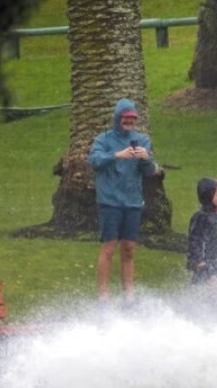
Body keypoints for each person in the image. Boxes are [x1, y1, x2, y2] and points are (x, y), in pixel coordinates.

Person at [88, 98, 155, 301]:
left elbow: (149, 172)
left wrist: (146, 158)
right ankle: (103, 297)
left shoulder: (142, 140)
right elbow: (94, 161)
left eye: (132, 118)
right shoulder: (104, 139)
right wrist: (116, 155)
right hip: (110, 201)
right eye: (125, 118)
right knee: (109, 246)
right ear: (117, 118)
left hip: (133, 201)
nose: (129, 122)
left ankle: (129, 297)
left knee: (129, 248)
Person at [186, 178, 217, 285]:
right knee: (212, 285)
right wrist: (199, 259)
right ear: (209, 195)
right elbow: (194, 239)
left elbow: (215, 240)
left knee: (200, 283)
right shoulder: (201, 216)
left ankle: (193, 293)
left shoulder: (214, 216)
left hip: (210, 259)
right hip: (202, 260)